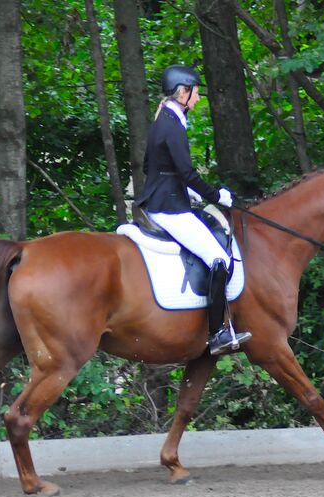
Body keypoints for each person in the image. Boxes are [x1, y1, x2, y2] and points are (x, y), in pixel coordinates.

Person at [135, 64, 252, 356]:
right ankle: (217, 333)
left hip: (166, 199)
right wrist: (216, 196)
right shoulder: (172, 125)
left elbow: (153, 166)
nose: (198, 100)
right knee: (218, 259)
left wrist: (180, 188)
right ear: (183, 92)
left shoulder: (163, 120)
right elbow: (187, 172)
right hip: (169, 208)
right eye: (196, 93)